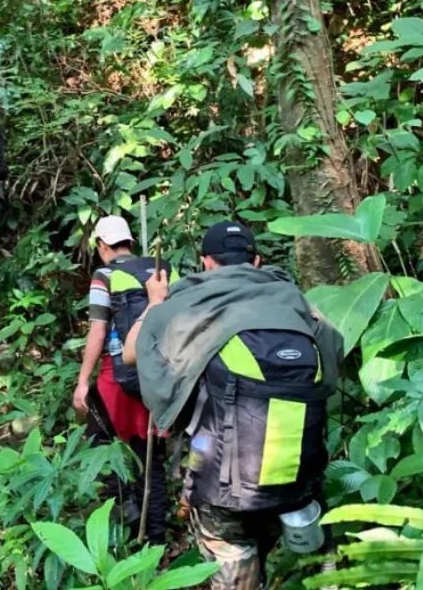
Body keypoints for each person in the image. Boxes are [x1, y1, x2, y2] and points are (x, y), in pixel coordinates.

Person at [123, 221, 343, 590]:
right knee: (308, 563)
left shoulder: (187, 304)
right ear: (256, 261)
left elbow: (131, 353)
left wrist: (156, 301)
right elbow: (334, 354)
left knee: (235, 566)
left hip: (222, 480)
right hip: (298, 473)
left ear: (206, 262)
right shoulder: (294, 299)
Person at [75, 215, 168, 544]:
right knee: (148, 456)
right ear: (130, 242)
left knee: (102, 448)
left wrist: (83, 381)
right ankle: (154, 537)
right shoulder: (158, 271)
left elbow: (98, 331)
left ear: (102, 246)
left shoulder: (104, 276)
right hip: (156, 376)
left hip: (117, 379)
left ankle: (123, 528)